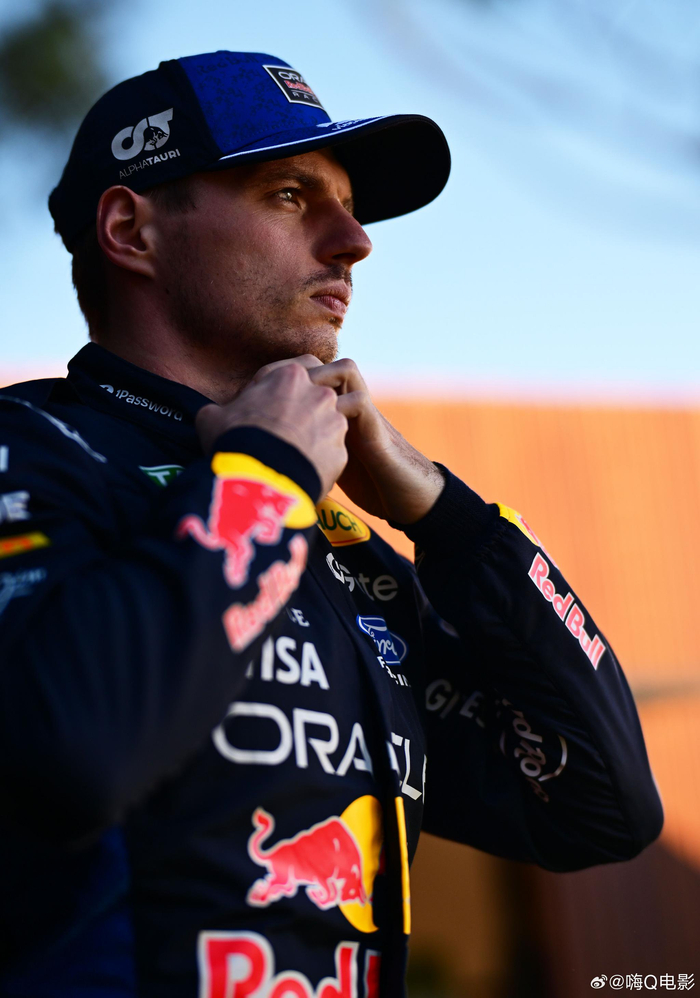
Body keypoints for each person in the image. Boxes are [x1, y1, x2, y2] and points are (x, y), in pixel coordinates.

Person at [0, 50, 662, 998]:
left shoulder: (337, 543)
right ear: (130, 229)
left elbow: (600, 807)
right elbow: (72, 753)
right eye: (288, 195)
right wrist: (265, 477)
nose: (354, 241)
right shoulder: (34, 452)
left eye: (349, 206)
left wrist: (444, 513)